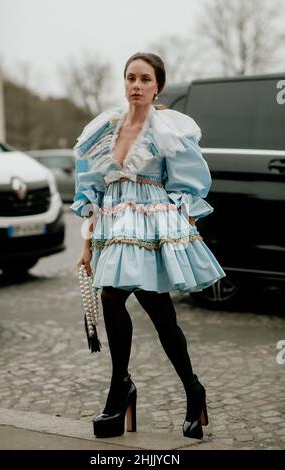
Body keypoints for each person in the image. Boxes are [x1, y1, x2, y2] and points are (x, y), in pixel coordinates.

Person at [70, 52, 226, 440]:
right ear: (124, 83)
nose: (136, 85)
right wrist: (87, 246)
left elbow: (187, 184)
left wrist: (184, 226)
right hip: (114, 226)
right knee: (111, 297)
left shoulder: (169, 129)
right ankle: (120, 386)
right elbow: (94, 190)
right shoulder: (104, 129)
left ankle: (192, 390)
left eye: (144, 79)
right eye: (130, 78)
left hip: (151, 226)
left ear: (158, 86)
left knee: (160, 313)